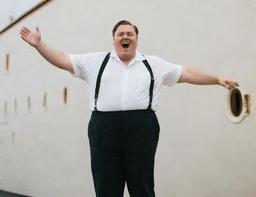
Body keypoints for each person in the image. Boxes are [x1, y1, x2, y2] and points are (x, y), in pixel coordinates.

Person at [20, 20, 238, 197]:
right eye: (120, 34)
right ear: (114, 39)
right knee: (106, 187)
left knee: (141, 185)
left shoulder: (153, 63)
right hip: (103, 128)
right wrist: (40, 45)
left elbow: (187, 73)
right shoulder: (96, 61)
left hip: (142, 127)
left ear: (136, 39)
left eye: (130, 34)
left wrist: (217, 79)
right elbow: (63, 60)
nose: (125, 37)